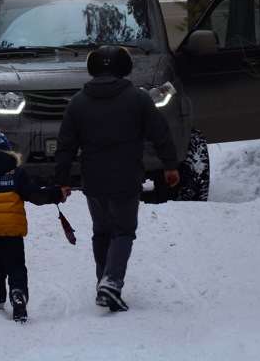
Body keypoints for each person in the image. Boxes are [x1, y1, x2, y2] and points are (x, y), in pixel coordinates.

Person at [53, 45, 180, 313]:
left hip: (94, 181)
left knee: (102, 232)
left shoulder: (78, 102)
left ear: (92, 68)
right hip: (126, 178)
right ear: (125, 68)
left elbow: (65, 144)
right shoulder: (138, 98)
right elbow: (160, 132)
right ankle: (111, 282)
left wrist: (61, 180)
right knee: (122, 231)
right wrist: (169, 165)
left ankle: (104, 282)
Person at [0, 131, 70, 323]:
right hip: (12, 229)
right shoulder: (16, 174)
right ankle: (18, 293)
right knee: (15, 264)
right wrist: (57, 194)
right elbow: (36, 196)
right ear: (10, 153)